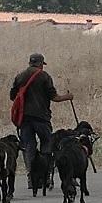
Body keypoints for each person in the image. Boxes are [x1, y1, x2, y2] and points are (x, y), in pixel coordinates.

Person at [9, 53, 73, 185]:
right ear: (40, 64)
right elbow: (54, 97)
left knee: (28, 146)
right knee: (47, 144)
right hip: (41, 117)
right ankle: (46, 176)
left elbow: (12, 96)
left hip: (24, 118)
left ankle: (31, 177)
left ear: (30, 63)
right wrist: (68, 97)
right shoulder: (44, 76)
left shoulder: (20, 76)